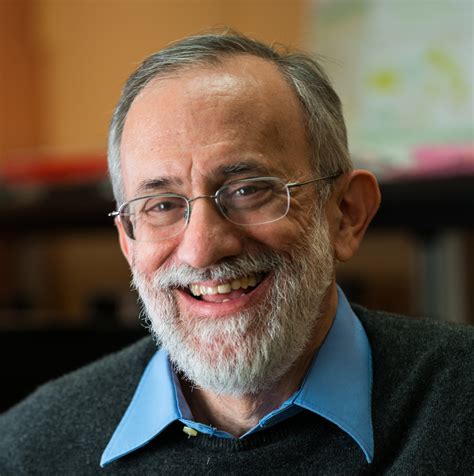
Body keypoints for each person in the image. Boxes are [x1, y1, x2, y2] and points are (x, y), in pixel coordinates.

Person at [1, 30, 472, 475]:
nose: (202, 249)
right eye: (161, 205)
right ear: (128, 240)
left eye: (248, 190)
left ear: (346, 213)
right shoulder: (29, 450)